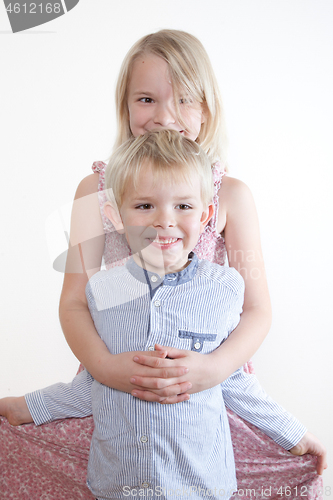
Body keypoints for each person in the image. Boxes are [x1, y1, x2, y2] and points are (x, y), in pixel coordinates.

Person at [0, 30, 326, 498]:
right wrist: (107, 368)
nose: (165, 117)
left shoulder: (231, 196)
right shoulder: (92, 195)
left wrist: (213, 370)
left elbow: (258, 310)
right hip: (113, 374)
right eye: (147, 98)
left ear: (208, 109)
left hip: (210, 377)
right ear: (126, 106)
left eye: (185, 100)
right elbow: (75, 303)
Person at [72, 129, 321, 499]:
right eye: (144, 206)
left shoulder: (219, 289)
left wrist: (293, 433)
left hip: (201, 484)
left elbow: (237, 380)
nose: (164, 220)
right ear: (116, 216)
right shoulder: (105, 291)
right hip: (119, 482)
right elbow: (88, 384)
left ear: (206, 215)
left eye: (183, 207)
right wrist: (23, 407)